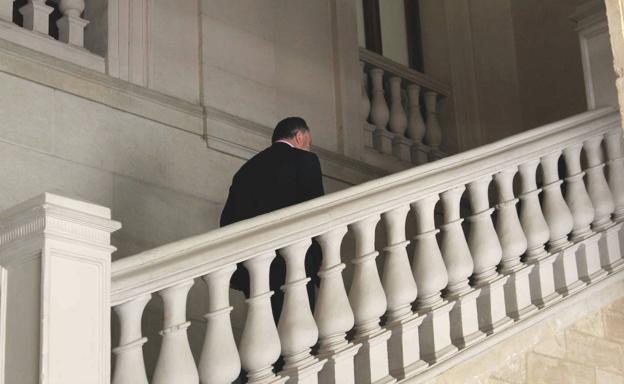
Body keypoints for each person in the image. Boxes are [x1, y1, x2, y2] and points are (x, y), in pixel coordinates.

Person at [220, 117, 324, 322]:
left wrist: (237, 271)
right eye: (308, 143)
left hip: (255, 269)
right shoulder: (305, 160)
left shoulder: (246, 170)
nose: (308, 148)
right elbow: (316, 213)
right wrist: (321, 257)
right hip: (295, 264)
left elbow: (227, 221)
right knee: (297, 333)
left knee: (264, 333)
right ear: (299, 136)